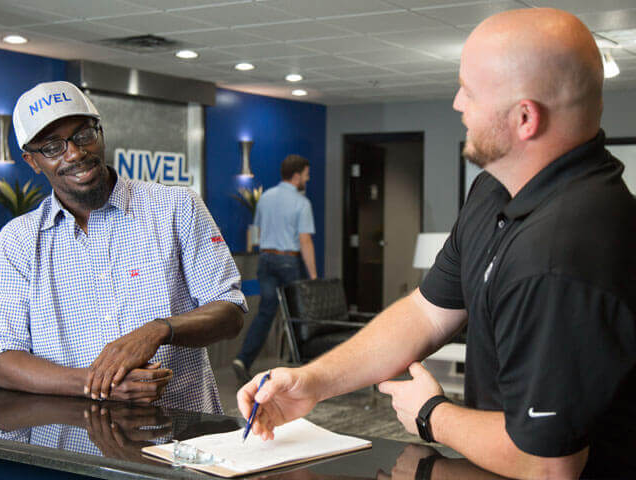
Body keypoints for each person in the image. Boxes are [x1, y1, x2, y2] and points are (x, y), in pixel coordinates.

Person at [238, 8, 636, 479]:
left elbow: (549, 464)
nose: (456, 103)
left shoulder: (564, 252)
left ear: (525, 117)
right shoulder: (494, 190)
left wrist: (432, 415)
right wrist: (312, 381)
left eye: (470, 91)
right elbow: (426, 312)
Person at [0, 81, 247, 413]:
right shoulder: (17, 241)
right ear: (32, 161)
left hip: (186, 430)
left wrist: (159, 330)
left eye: (82, 135)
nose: (74, 153)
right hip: (72, 436)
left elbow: (230, 311)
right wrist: (97, 383)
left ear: (101, 133)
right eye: (52, 147)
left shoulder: (177, 207)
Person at [233, 155, 317, 383]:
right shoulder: (301, 202)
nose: (307, 179)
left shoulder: (266, 197)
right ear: (297, 175)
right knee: (298, 315)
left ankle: (243, 359)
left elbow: (258, 231)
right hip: (289, 261)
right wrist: (313, 276)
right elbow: (305, 241)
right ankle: (304, 368)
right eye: (306, 175)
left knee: (265, 312)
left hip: (266, 260)